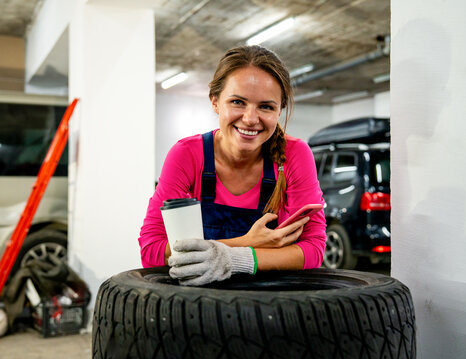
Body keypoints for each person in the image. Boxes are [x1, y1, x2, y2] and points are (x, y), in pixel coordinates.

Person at [138, 45, 326, 286]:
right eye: (238, 102)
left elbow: (313, 251)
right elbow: (151, 250)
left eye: (266, 106)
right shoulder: (187, 155)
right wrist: (247, 242)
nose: (250, 118)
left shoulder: (295, 154)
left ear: (280, 111)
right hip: (197, 304)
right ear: (215, 102)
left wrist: (236, 259)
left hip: (269, 306)